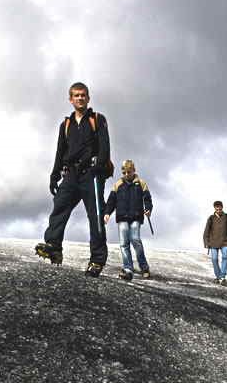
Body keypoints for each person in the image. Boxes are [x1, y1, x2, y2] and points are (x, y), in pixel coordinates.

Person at [35, 81, 112, 275]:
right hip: (71, 174)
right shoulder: (66, 124)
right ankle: (53, 246)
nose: (80, 98)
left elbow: (105, 147)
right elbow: (60, 150)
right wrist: (54, 175)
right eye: (76, 95)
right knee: (59, 207)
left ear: (88, 98)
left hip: (91, 175)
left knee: (95, 217)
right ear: (70, 99)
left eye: (83, 95)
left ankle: (97, 260)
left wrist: (98, 168)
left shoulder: (98, 119)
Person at [104, 159, 153, 280]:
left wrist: (148, 209)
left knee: (135, 239)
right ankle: (128, 268)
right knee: (124, 243)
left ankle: (144, 267)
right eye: (124, 172)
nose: (126, 175)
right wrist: (107, 213)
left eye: (129, 172)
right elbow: (111, 201)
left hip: (136, 216)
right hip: (122, 217)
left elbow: (147, 198)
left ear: (134, 170)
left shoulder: (141, 183)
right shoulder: (118, 184)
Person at [203, 200, 227, 283]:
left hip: (225, 241)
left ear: (222, 207)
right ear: (214, 208)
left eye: (220, 209)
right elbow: (206, 231)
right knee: (214, 259)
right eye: (217, 209)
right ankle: (218, 276)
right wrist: (206, 242)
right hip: (213, 242)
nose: (218, 210)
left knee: (225, 256)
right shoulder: (211, 218)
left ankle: (222, 276)